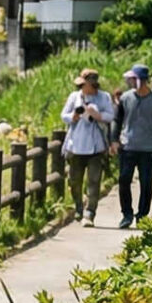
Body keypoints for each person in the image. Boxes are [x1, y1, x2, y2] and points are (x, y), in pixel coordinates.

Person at [61, 67, 116, 226]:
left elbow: (110, 116)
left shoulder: (103, 97)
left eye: (83, 85)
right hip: (75, 145)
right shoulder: (74, 96)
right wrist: (75, 116)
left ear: (92, 85)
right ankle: (79, 206)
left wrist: (96, 115)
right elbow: (64, 115)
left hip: (96, 147)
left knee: (94, 181)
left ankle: (90, 213)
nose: (81, 88)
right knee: (74, 181)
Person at [116, 64, 152, 227]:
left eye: (132, 79)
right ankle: (127, 214)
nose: (129, 81)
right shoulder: (125, 98)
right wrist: (114, 141)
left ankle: (142, 215)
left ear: (141, 80)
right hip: (127, 146)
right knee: (124, 181)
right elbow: (117, 120)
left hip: (149, 148)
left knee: (146, 183)